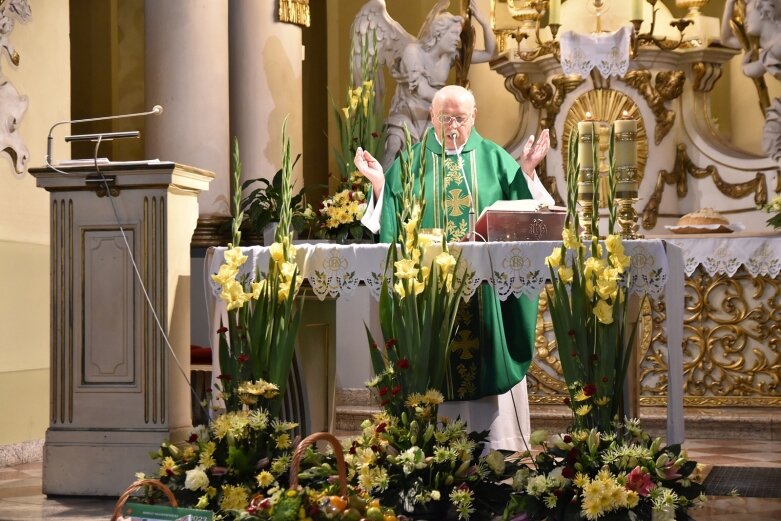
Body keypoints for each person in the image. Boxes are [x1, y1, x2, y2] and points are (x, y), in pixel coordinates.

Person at [354, 84, 554, 450]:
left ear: (473, 117)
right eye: (444, 117)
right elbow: (392, 224)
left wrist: (525, 171)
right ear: (431, 117)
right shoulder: (411, 163)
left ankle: (497, 444)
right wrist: (380, 184)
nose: (451, 126)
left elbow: (527, 219)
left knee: (483, 354)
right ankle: (433, 447)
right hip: (433, 297)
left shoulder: (495, 159)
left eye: (459, 118)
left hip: (486, 300)